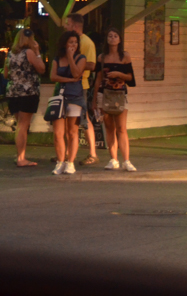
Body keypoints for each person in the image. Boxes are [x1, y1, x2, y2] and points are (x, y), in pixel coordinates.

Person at [91, 27, 136, 171]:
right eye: (110, 36)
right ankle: (113, 159)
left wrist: (119, 74)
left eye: (115, 36)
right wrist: (94, 99)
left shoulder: (125, 56)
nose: (112, 38)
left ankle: (126, 160)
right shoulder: (102, 57)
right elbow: (98, 78)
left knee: (121, 128)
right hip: (104, 93)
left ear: (120, 39)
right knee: (109, 127)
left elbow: (130, 77)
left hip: (120, 94)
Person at [5, 28, 45, 167]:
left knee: (20, 125)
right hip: (28, 92)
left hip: (13, 92)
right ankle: (21, 158)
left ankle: (19, 155)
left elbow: (5, 74)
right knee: (23, 125)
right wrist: (38, 52)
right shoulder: (29, 53)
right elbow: (41, 69)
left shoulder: (10, 54)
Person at [49, 30, 86, 175]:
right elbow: (53, 76)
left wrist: (70, 57)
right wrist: (69, 80)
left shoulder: (81, 58)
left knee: (72, 131)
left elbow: (77, 73)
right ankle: (60, 161)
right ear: (64, 44)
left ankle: (70, 162)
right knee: (58, 132)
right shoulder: (57, 59)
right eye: (71, 42)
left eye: (76, 42)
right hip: (59, 97)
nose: (73, 45)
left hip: (75, 97)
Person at [64, 13, 99, 165]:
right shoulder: (67, 42)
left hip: (81, 85)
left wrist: (77, 64)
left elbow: (92, 65)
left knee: (83, 119)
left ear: (75, 26)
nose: (65, 27)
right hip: (67, 85)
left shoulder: (87, 42)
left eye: (68, 24)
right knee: (67, 119)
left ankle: (93, 153)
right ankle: (67, 153)